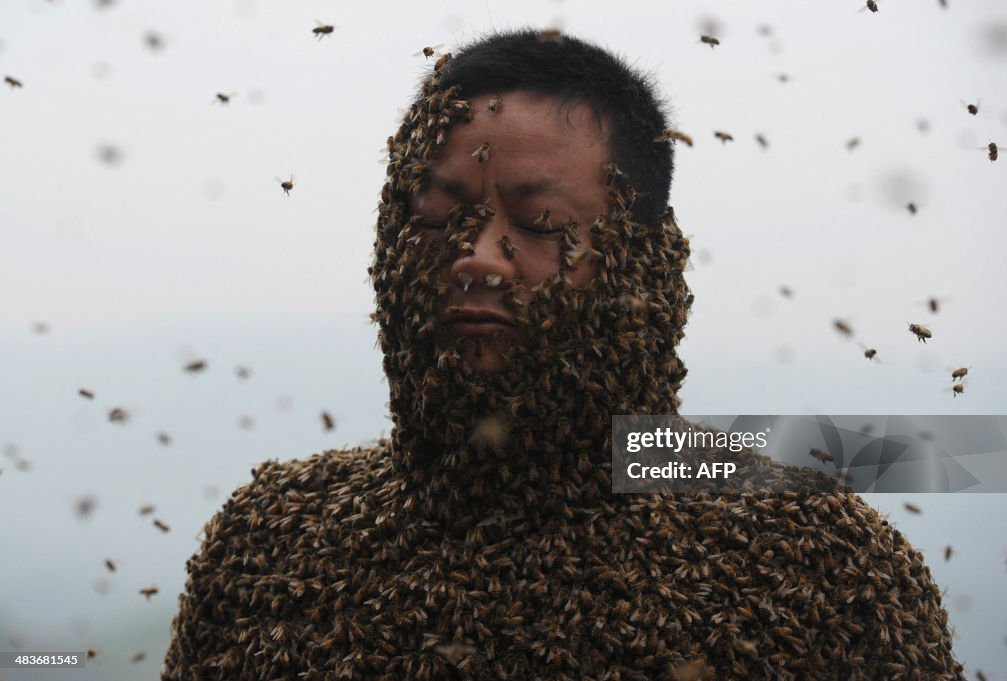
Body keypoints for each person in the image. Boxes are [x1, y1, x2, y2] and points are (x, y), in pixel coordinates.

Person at [161, 29, 964, 680]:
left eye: (541, 224)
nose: (479, 256)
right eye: (441, 215)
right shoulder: (266, 542)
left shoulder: (818, 560)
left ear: (647, 263)